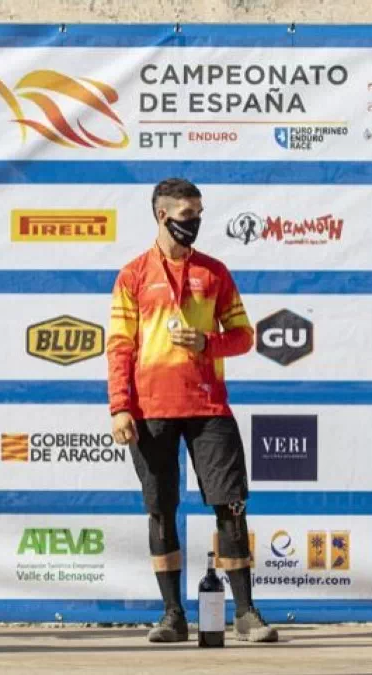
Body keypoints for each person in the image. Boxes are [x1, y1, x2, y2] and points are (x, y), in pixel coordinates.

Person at [107, 178, 277, 644]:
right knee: (161, 511)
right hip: (150, 407)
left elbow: (244, 336)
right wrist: (120, 407)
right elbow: (120, 346)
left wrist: (207, 342)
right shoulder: (133, 275)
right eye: (187, 217)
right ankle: (172, 615)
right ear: (163, 216)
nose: (195, 224)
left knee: (231, 504)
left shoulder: (215, 272)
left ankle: (245, 614)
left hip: (207, 404)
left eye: (199, 215)